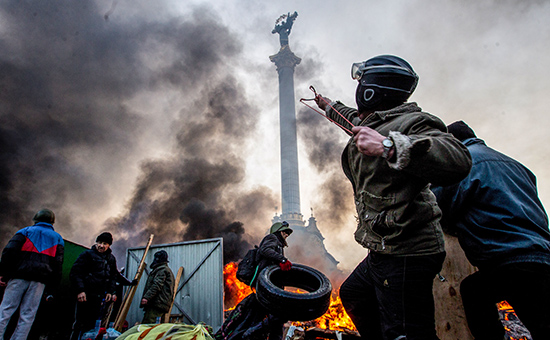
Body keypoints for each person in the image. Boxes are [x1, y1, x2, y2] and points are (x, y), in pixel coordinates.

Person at [313, 55, 472, 340]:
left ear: (373, 89)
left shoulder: (414, 122)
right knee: (354, 294)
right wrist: (327, 105)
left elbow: (458, 158)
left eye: (361, 83)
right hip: (385, 247)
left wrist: (389, 146)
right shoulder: (376, 121)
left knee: (407, 333)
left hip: (408, 250)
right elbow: (353, 119)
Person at [431, 121, 550, 340]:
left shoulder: (461, 164)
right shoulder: (517, 165)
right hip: (542, 255)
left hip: (507, 259)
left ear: (451, 144)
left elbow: (437, 209)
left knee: (473, 292)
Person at [215, 221, 293, 340]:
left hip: (270, 288)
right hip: (266, 288)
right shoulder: (272, 238)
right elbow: (265, 250)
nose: (287, 235)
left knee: (274, 320)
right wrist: (282, 259)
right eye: (285, 232)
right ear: (279, 231)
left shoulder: (279, 244)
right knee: (271, 317)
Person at [0, 209, 64, 340]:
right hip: (39, 283)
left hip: (18, 277)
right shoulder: (57, 239)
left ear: (36, 219)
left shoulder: (24, 232)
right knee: (27, 316)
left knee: (5, 311)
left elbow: (9, 253)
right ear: (52, 222)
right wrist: (51, 289)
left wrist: (4, 274)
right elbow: (57, 265)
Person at [69, 232, 120, 340]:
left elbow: (113, 277)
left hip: (99, 297)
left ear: (109, 245)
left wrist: (111, 292)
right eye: (100, 242)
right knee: (79, 323)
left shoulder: (111, 259)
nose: (101, 246)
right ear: (96, 242)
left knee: (92, 324)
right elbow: (75, 273)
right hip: (85, 295)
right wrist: (80, 290)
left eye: (105, 243)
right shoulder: (86, 255)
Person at [140, 250, 175, 324]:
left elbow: (157, 285)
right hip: (160, 304)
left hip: (156, 304)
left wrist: (147, 297)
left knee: (148, 327)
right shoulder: (165, 270)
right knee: (157, 329)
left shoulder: (162, 270)